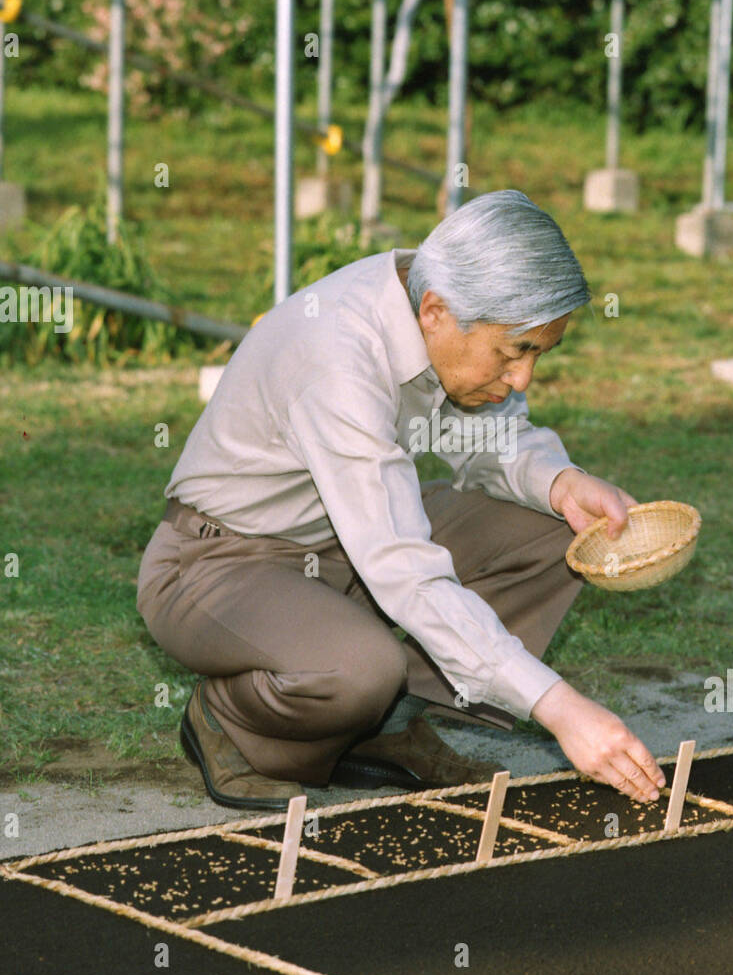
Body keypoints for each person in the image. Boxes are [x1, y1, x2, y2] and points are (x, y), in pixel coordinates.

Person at [136, 189, 665, 811]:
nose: (523, 378)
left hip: (343, 544)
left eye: (537, 354)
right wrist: (560, 708)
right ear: (437, 313)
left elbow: (486, 435)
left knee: (557, 526)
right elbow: (404, 571)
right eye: (513, 352)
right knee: (359, 668)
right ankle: (232, 719)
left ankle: (388, 724)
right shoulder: (338, 354)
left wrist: (559, 481)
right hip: (217, 563)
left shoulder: (438, 292)